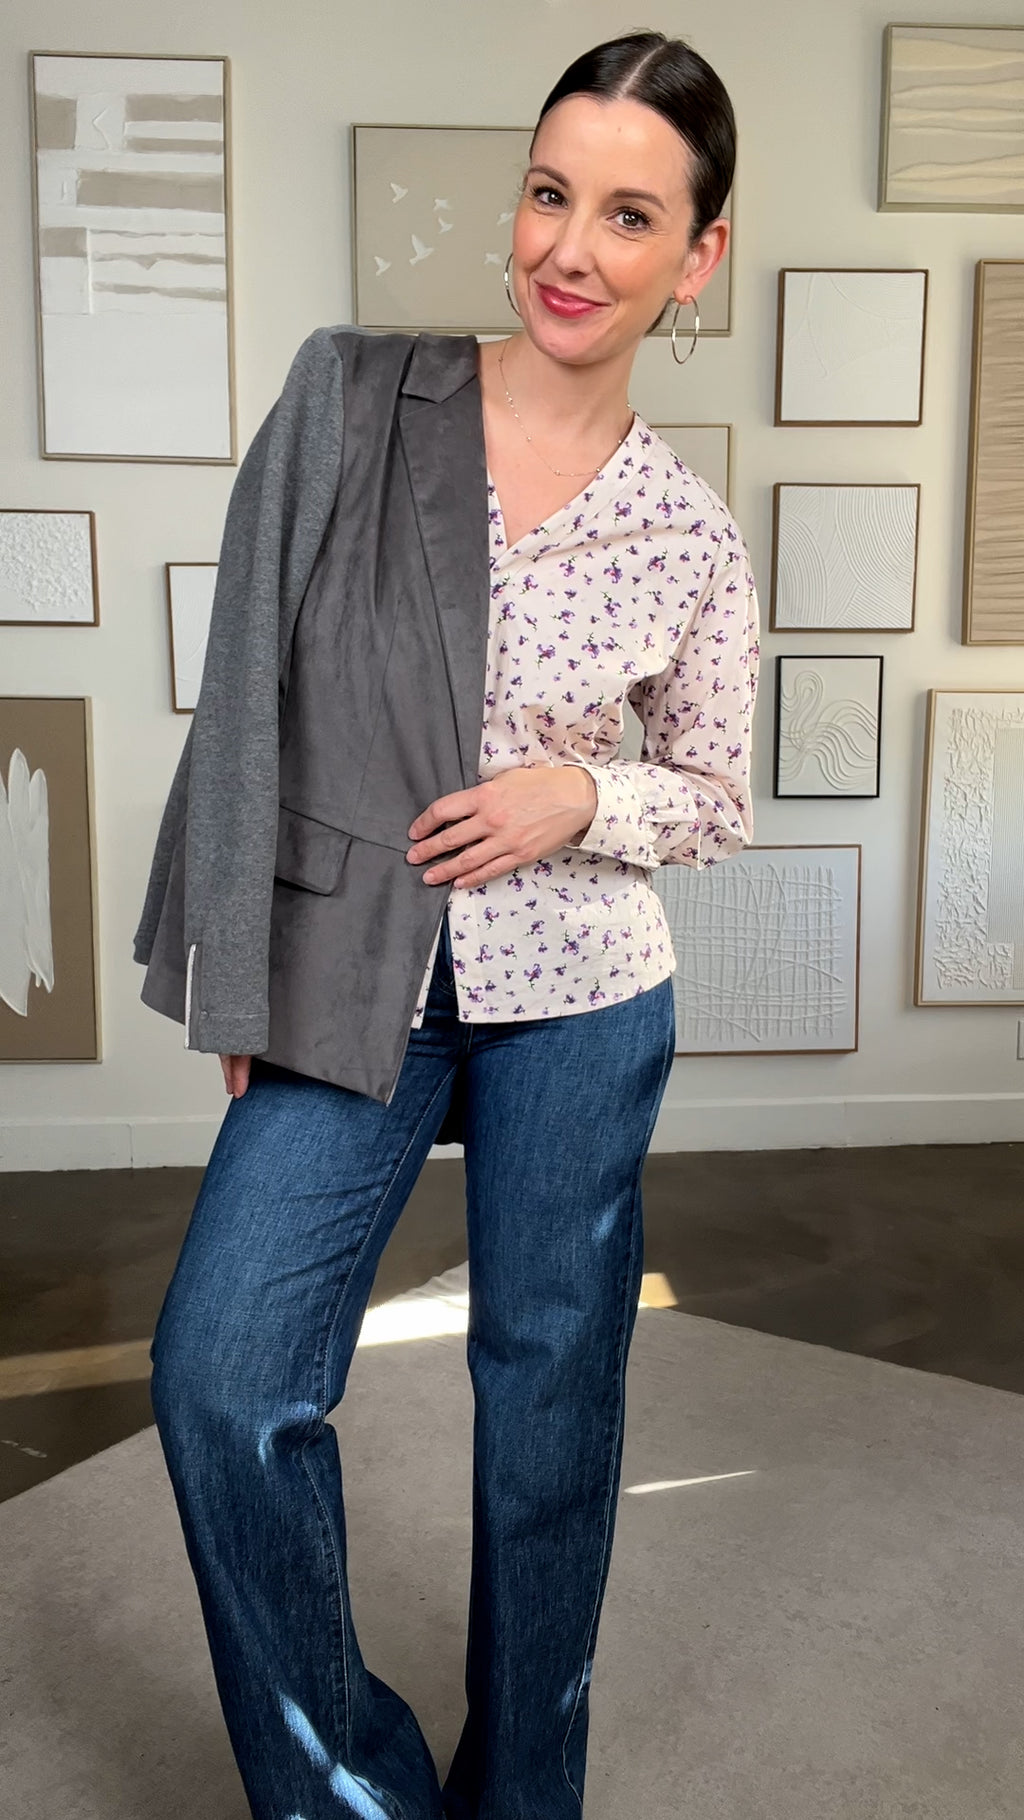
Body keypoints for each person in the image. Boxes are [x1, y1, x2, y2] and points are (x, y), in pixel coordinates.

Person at [143, 28, 760, 1820]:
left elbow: (715, 794)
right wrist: (236, 974)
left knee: (550, 1417)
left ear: (697, 257)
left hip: (586, 997)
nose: (569, 248)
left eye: (629, 215)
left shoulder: (690, 535)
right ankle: (358, 1786)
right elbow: (245, 690)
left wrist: (583, 798)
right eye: (551, 194)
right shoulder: (355, 397)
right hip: (356, 971)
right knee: (222, 1377)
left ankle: (525, 1799)